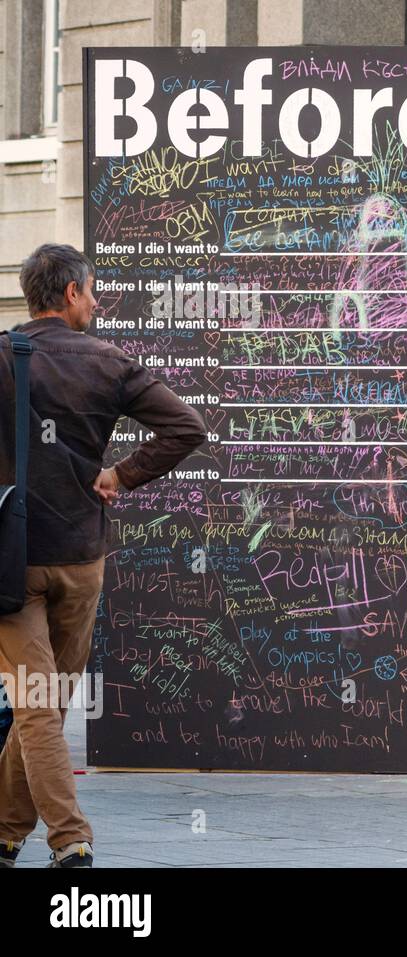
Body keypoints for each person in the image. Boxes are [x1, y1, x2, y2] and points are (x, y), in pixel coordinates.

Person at [0, 244, 205, 868]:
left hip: (10, 560)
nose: (96, 302)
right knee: (44, 701)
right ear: (69, 294)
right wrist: (121, 475)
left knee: (40, 704)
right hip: (82, 556)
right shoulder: (110, 361)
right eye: (91, 292)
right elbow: (186, 428)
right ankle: (70, 838)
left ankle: (7, 830)